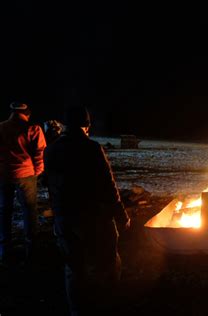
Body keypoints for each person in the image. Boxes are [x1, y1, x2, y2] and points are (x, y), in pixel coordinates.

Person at [44, 106, 130, 315]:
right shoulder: (92, 148)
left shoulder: (51, 150)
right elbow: (108, 186)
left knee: (74, 268)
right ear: (87, 125)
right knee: (109, 262)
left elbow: (51, 185)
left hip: (65, 218)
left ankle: (77, 310)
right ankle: (108, 303)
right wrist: (121, 215)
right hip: (95, 218)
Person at [0, 102, 46, 263]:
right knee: (29, 212)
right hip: (26, 175)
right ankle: (32, 251)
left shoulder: (1, 127)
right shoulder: (33, 129)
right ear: (27, 113)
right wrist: (37, 171)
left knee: (5, 212)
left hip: (4, 175)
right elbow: (40, 152)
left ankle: (5, 250)